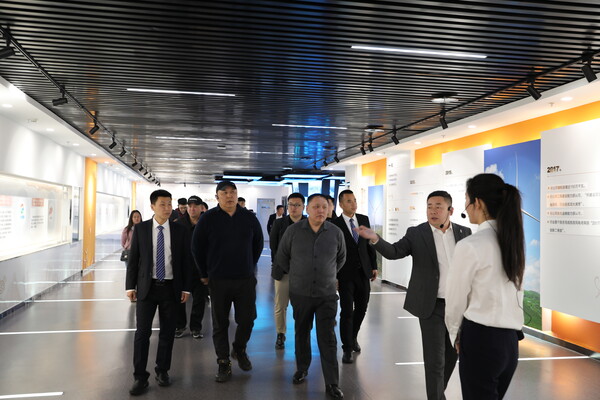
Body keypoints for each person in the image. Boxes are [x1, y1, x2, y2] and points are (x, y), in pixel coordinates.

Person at [355, 190, 471, 400]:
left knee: (452, 356)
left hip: (458, 306)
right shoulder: (417, 233)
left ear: (450, 210)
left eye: (438, 207)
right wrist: (375, 239)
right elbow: (394, 252)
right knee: (435, 360)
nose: (432, 211)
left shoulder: (464, 233)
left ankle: (438, 393)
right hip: (431, 306)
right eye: (429, 206)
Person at [445, 173, 525, 400]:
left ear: (478, 203)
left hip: (481, 339)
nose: (466, 207)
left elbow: (456, 299)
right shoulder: (513, 242)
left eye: (466, 200)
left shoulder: (471, 245)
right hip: (510, 342)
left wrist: (455, 335)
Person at [276, 193, 346, 399]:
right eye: (316, 207)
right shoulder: (293, 231)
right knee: (302, 332)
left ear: (329, 209)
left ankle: (332, 383)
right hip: (301, 293)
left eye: (324, 207)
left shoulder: (335, 232)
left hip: (327, 294)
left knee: (328, 338)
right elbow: (282, 257)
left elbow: (341, 259)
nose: (320, 211)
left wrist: (328, 274)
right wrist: (298, 274)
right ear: (307, 209)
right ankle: (302, 368)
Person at [192, 181, 264, 383]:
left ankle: (239, 348)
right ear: (217, 197)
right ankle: (223, 362)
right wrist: (204, 273)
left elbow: (258, 243)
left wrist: (249, 264)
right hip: (218, 279)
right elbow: (197, 247)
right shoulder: (208, 218)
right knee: (220, 323)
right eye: (224, 193)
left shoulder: (248, 217)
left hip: (245, 279)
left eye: (233, 192)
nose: (229, 196)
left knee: (247, 319)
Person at [126, 190, 192, 396]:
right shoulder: (142, 229)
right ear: (152, 206)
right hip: (147, 288)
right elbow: (133, 259)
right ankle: (140, 377)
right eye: (162, 204)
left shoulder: (180, 230)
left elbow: (186, 261)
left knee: (167, 333)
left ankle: (162, 371)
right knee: (142, 333)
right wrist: (130, 287)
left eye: (169, 204)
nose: (167, 208)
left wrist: (186, 287)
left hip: (171, 288)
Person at [332, 190, 377, 364]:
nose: (353, 204)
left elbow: (369, 243)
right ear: (341, 204)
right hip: (344, 274)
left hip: (363, 272)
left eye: (355, 200)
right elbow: (333, 252)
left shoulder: (364, 219)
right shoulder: (335, 224)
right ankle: (347, 348)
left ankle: (353, 337)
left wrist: (373, 265)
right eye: (349, 201)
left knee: (362, 308)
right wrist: (334, 276)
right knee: (346, 311)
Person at [270, 193, 306, 349]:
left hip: (304, 274)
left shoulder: (309, 223)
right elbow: (274, 246)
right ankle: (280, 333)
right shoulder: (279, 224)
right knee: (280, 305)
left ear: (303, 207)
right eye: (291, 204)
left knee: (302, 306)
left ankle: (302, 333)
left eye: (297, 205)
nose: (294, 208)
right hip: (283, 271)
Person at [174, 195, 208, 339]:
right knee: (180, 299)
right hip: (182, 269)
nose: (192, 209)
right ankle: (180, 326)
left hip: (201, 270)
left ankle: (196, 327)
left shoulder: (207, 223)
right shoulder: (179, 224)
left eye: (195, 206)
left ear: (201, 208)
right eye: (190, 206)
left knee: (199, 300)